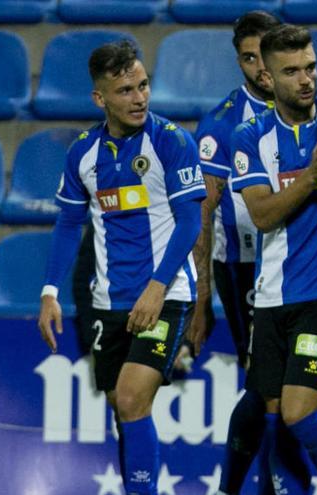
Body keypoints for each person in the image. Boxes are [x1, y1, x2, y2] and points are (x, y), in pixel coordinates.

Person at [37, 40, 205, 495]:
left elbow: (191, 220)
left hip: (164, 295)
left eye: (144, 86)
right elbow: (70, 222)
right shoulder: (84, 154)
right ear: (100, 98)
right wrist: (50, 292)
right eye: (126, 90)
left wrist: (157, 287)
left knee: (131, 399)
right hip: (109, 300)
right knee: (120, 406)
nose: (139, 98)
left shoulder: (171, 142)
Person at [230, 24, 317, 495]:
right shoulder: (249, 138)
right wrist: (309, 179)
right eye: (292, 71)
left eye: (310, 68)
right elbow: (262, 214)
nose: (307, 80)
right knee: (274, 420)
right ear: (267, 76)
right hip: (269, 299)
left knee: (299, 412)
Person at [189, 11, 312, 495]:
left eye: (265, 55)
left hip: (307, 262)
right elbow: (203, 212)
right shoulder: (220, 125)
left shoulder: (311, 106)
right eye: (248, 58)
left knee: (278, 388)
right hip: (244, 269)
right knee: (268, 387)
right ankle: (264, 486)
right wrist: (202, 299)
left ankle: (241, 487)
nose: (260, 67)